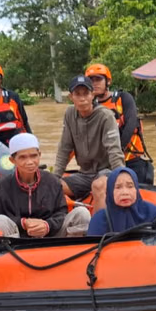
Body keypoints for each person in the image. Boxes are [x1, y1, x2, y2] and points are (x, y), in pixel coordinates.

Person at [0, 133, 91, 237]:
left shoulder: (53, 181)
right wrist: (23, 223)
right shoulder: (0, 186)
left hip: (52, 236)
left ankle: (73, 250)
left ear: (39, 155)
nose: (30, 162)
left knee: (82, 213)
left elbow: (61, 213)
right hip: (17, 240)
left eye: (34, 156)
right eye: (23, 157)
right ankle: (10, 253)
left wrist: (47, 225)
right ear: (12, 160)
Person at [53, 75, 125, 213]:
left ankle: (99, 230)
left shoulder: (106, 116)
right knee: (54, 186)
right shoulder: (69, 114)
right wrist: (55, 178)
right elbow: (64, 148)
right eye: (77, 94)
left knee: (98, 185)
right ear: (71, 97)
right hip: (84, 173)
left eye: (86, 93)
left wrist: (121, 177)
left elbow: (114, 150)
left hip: (106, 170)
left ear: (92, 95)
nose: (82, 98)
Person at [87, 63, 155, 185]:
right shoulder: (89, 107)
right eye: (91, 80)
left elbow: (130, 125)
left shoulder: (123, 98)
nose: (94, 83)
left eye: (98, 79)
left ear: (107, 82)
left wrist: (117, 152)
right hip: (106, 164)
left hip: (132, 160)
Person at [87, 167, 156, 236]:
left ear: (136, 189)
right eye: (118, 187)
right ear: (110, 191)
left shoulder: (150, 210)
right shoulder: (99, 219)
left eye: (130, 186)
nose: (125, 192)